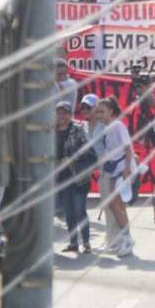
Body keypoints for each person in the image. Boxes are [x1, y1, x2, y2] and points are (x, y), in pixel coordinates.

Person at [93, 97, 134, 256]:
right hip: (114, 171)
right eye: (98, 112)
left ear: (111, 111)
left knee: (116, 205)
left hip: (121, 171)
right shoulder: (107, 127)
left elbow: (128, 147)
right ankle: (124, 239)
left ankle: (127, 240)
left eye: (102, 111)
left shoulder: (117, 125)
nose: (100, 115)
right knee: (115, 205)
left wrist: (126, 171)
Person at [55, 100, 96, 254]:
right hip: (62, 178)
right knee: (69, 212)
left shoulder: (79, 129)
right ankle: (73, 243)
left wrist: (72, 158)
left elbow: (89, 152)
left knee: (80, 211)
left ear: (71, 114)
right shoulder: (51, 131)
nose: (62, 115)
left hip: (79, 177)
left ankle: (86, 242)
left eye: (65, 112)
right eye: (59, 112)